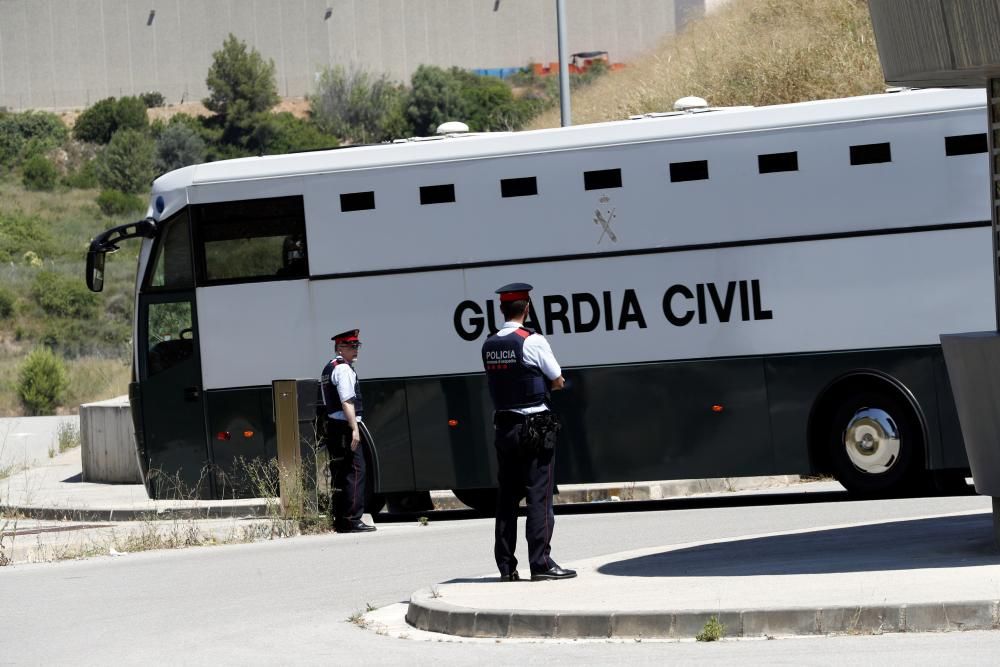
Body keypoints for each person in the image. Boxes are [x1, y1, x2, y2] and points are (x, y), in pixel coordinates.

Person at [481, 283, 576, 581]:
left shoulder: (489, 343)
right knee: (539, 495)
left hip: (504, 428)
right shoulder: (532, 341)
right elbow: (558, 379)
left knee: (507, 498)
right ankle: (541, 563)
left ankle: (506, 567)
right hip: (534, 428)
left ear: (501, 309)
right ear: (527, 308)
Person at [320, 328, 376, 533]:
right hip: (345, 426)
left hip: (334, 426)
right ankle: (352, 519)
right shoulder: (343, 369)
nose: (356, 349)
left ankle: (342, 519)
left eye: (357, 345)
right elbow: (347, 401)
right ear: (340, 348)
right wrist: (354, 428)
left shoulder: (329, 367)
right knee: (356, 471)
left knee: (342, 473)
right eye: (351, 346)